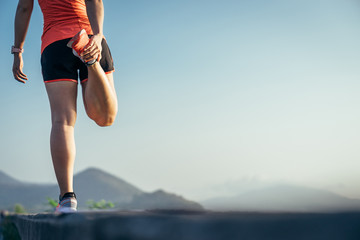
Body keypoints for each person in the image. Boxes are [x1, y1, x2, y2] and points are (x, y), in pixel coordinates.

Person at [12, 0, 118, 213]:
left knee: (63, 121)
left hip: (55, 44)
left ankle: (67, 199)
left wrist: (17, 52)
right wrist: (97, 35)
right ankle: (91, 62)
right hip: (87, 36)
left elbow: (24, 8)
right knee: (105, 118)